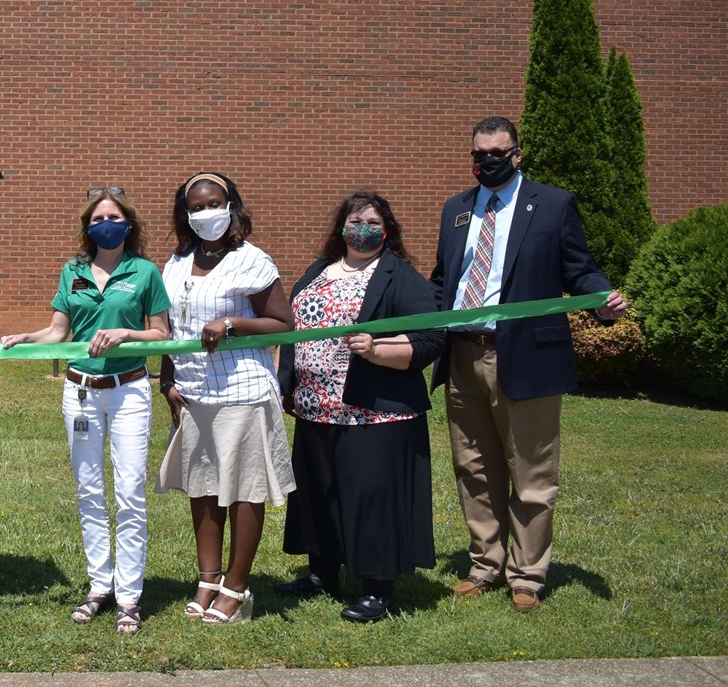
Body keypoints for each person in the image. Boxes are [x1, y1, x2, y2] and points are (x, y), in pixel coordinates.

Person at [432, 116, 627, 613]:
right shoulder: (456, 209)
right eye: (479, 153)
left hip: (526, 356)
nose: (487, 161)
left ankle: (527, 574)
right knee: (473, 467)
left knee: (533, 473)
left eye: (498, 152)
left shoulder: (553, 204)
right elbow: (442, 282)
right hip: (462, 355)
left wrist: (599, 299)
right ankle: (485, 564)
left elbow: (578, 268)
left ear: (517, 154)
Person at [2, 186, 170, 634]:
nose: (105, 224)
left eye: (113, 217)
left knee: (130, 492)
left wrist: (125, 334)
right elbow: (59, 331)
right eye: (97, 219)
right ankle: (101, 585)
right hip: (80, 393)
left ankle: (130, 596)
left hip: (129, 391)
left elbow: (162, 334)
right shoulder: (72, 270)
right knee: (89, 491)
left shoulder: (146, 272)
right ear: (88, 227)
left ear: (128, 224)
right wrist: (25, 338)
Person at [277, 191, 444, 623]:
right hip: (316, 407)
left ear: (386, 229)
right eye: (355, 220)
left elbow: (430, 338)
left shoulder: (400, 277)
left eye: (372, 221)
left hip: (374, 412)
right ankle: (321, 573)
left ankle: (376, 588)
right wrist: (287, 384)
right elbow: (294, 331)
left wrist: (377, 350)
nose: (362, 228)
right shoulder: (318, 271)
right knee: (319, 493)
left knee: (369, 496)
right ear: (341, 226)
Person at [154, 172, 293, 625]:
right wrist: (167, 382)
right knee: (204, 489)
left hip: (243, 391)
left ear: (231, 206)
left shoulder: (252, 260)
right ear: (186, 214)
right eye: (195, 207)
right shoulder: (176, 262)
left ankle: (236, 587)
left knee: (244, 491)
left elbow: (282, 323)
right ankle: (207, 580)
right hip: (194, 393)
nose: (205, 213)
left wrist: (234, 323)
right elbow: (169, 329)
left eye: (214, 203)